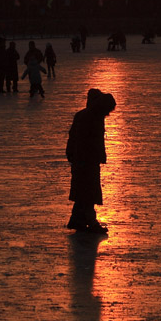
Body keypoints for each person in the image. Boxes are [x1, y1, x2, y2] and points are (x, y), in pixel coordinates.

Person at [66, 89, 117, 234]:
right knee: (88, 192)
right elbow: (90, 141)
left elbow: (72, 137)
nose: (108, 114)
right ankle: (90, 221)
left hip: (81, 159)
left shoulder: (85, 115)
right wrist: (98, 155)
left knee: (83, 191)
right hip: (86, 160)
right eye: (108, 110)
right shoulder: (93, 117)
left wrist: (71, 154)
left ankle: (77, 220)